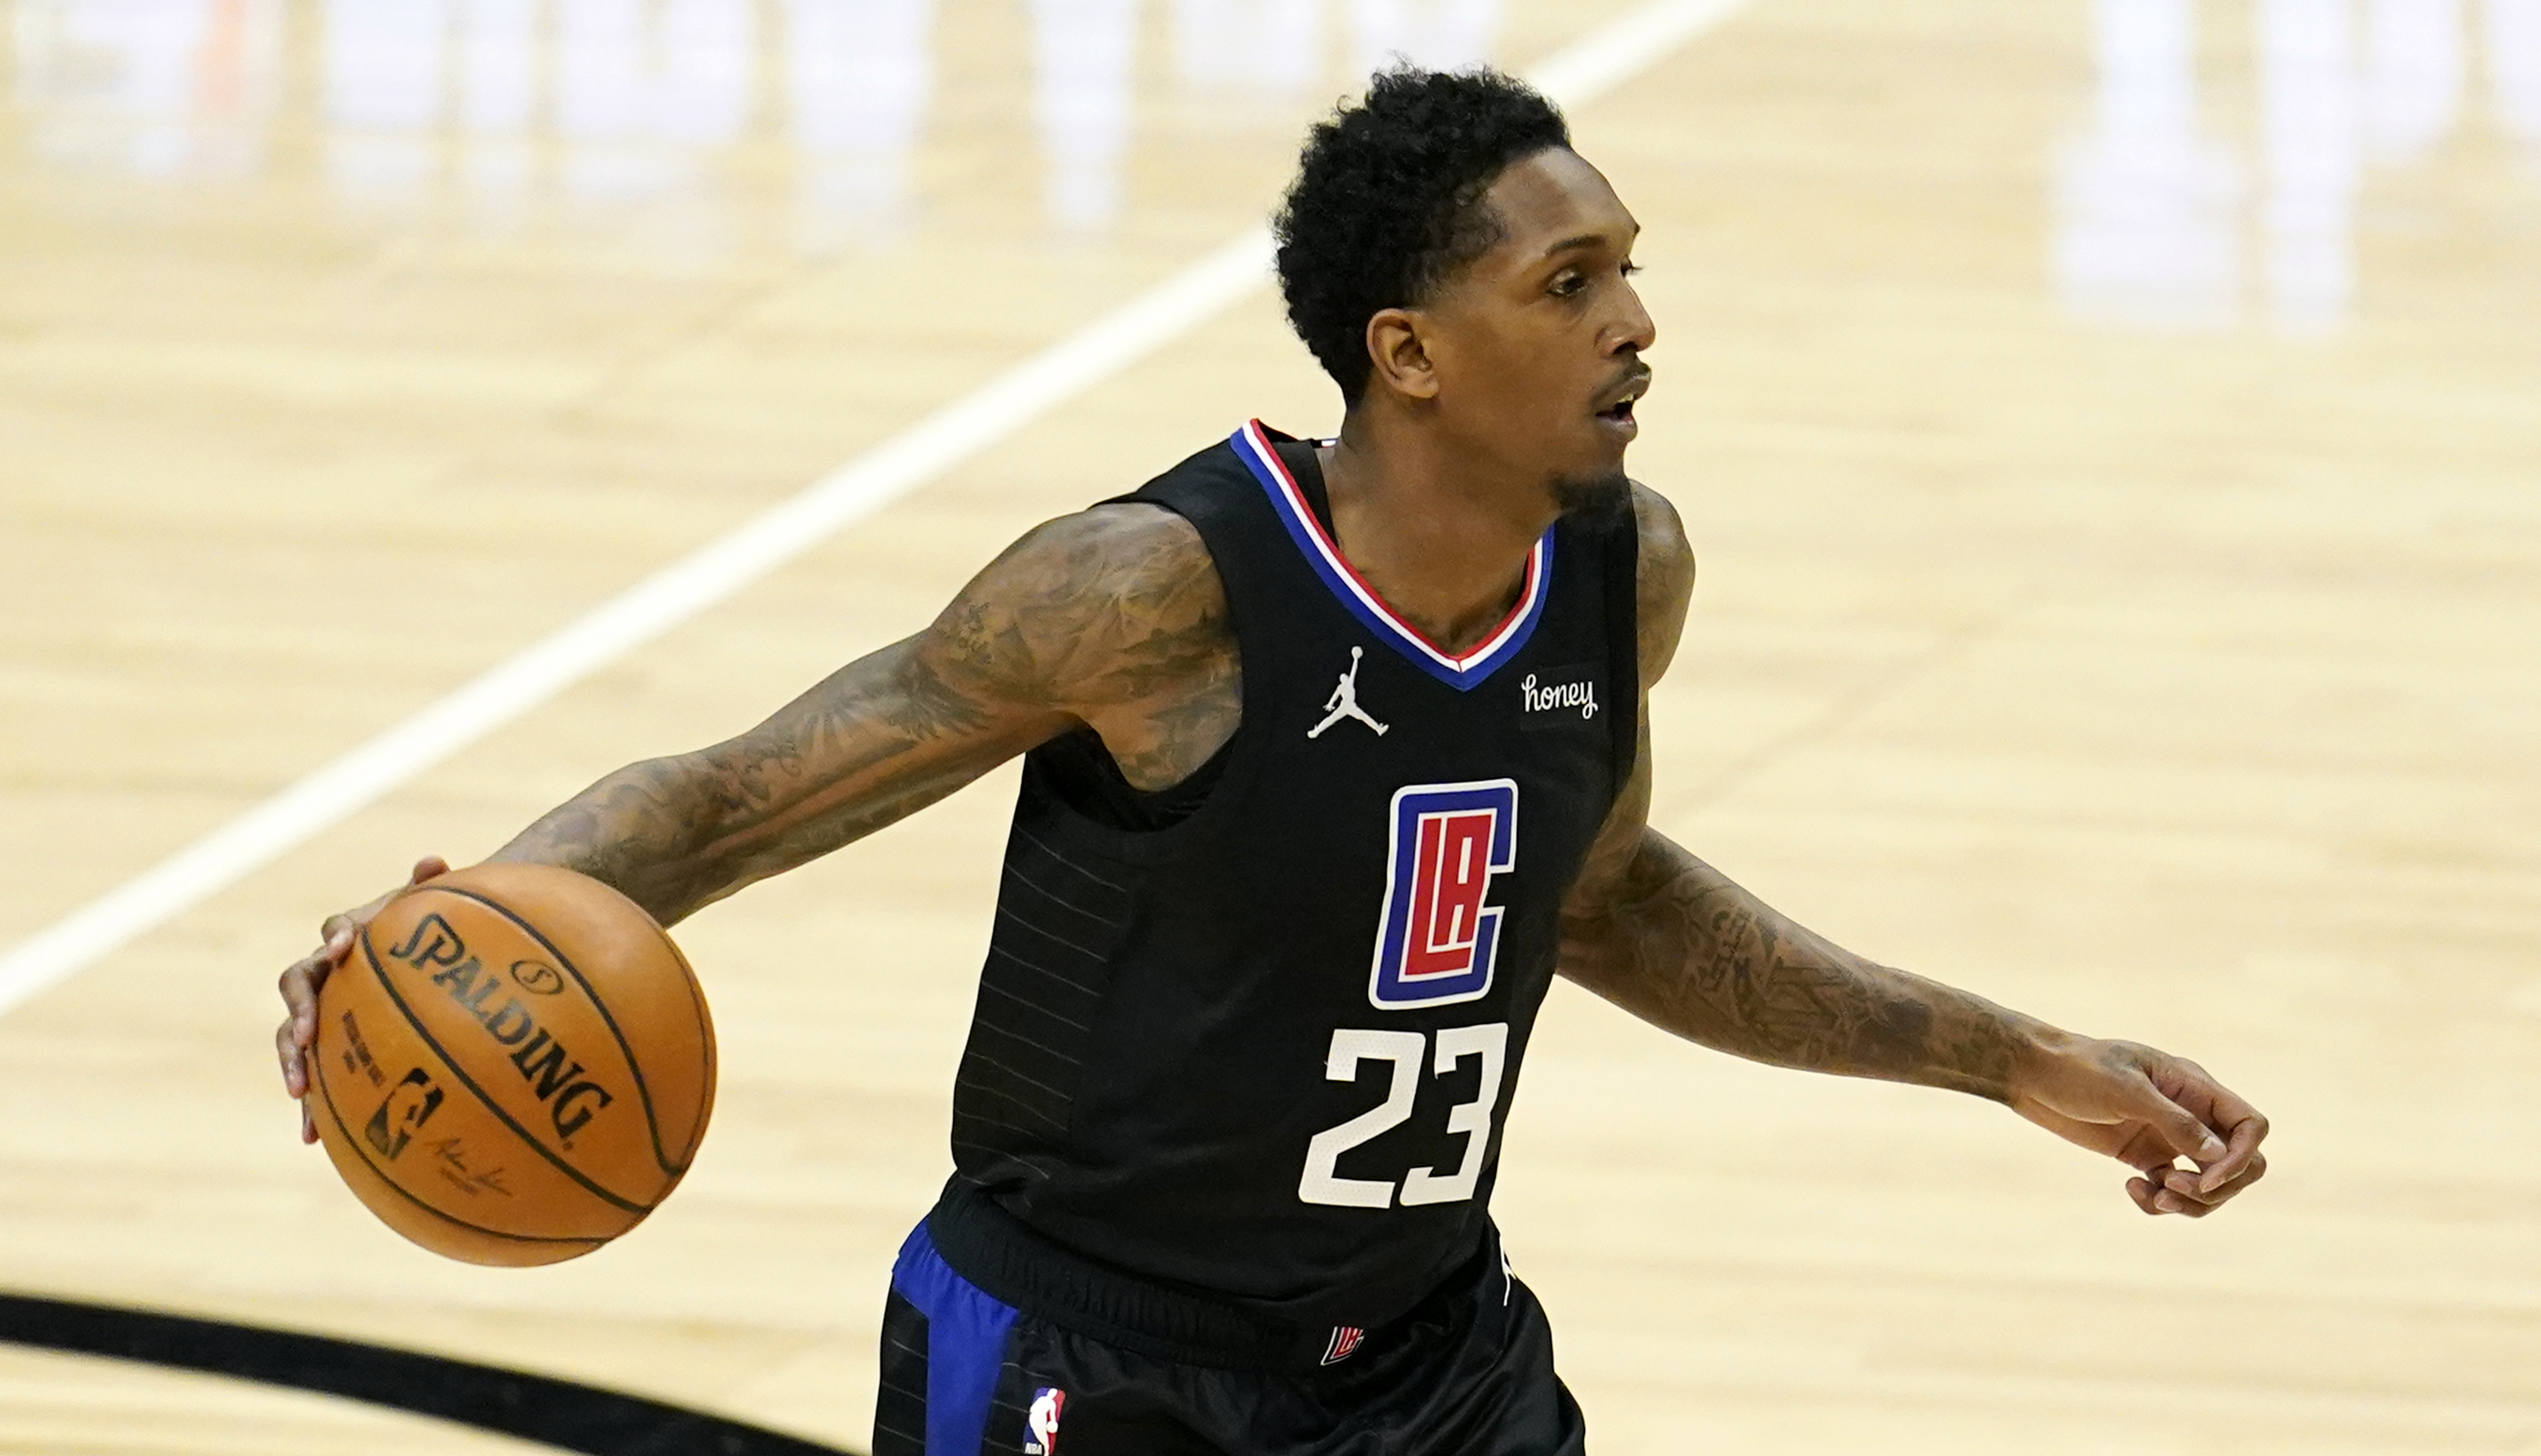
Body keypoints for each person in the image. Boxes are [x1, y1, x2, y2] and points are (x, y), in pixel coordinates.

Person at [275, 68, 2269, 1456]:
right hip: (1086, 1365)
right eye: (1568, 284)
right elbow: (728, 794)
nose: (1638, 320)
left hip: (1428, 1359)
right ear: (1406, 351)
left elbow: (1598, 896)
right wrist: (458, 926)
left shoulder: (1620, 570)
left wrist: (2009, 1056)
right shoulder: (1152, 594)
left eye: (1630, 265)